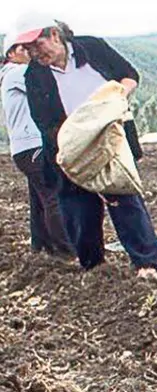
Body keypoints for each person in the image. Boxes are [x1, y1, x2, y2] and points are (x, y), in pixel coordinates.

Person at [20, 17, 157, 278]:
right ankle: (93, 267)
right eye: (27, 49)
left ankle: (146, 264)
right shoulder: (35, 75)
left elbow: (129, 75)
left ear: (54, 35)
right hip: (70, 148)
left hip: (111, 143)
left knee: (124, 200)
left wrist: (117, 98)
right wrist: (77, 140)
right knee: (78, 210)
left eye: (36, 44)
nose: (34, 53)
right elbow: (44, 121)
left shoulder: (92, 49)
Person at [1, 30, 73, 257]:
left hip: (23, 147)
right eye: (24, 49)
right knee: (53, 194)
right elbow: (53, 88)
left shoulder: (9, 74)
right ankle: (67, 249)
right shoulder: (18, 73)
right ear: (11, 53)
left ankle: (41, 245)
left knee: (39, 197)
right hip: (32, 144)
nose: (30, 53)